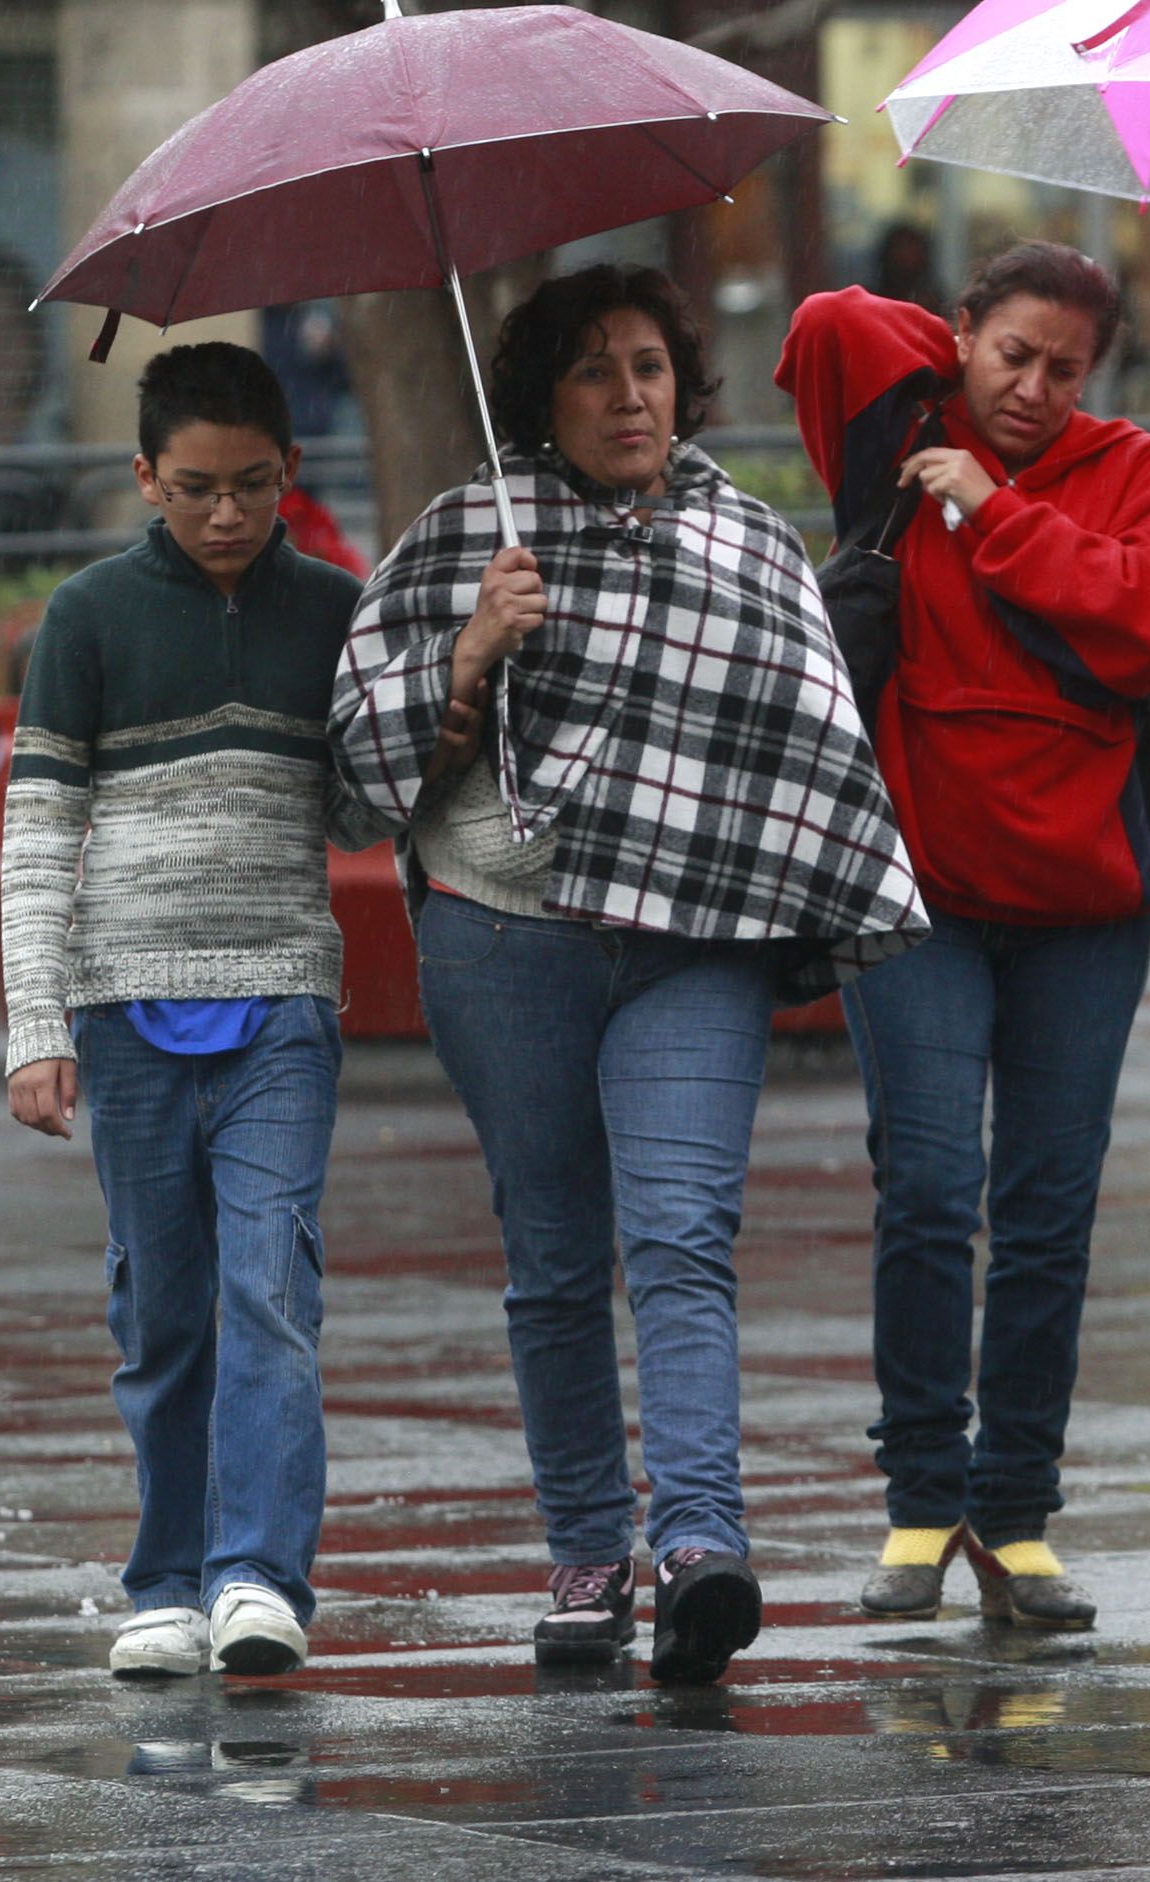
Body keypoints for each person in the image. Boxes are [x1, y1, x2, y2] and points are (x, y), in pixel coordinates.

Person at [331, 264, 923, 1686]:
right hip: (500, 932)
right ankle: (588, 1551)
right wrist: (471, 648)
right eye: (594, 369)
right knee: (549, 1255)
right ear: (543, 393)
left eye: (648, 365)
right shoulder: (471, 527)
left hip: (691, 947)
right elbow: (356, 748)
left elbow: (806, 751)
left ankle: (699, 1548)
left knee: (679, 1235)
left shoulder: (745, 540)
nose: (628, 394)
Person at [776, 243, 1150, 1635]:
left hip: (1081, 916)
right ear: (961, 334)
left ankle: (1013, 1514)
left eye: (1061, 368)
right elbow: (827, 315)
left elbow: (1149, 617)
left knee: (1044, 1213)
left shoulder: (1132, 467)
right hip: (918, 900)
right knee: (922, 1189)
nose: (1029, 387)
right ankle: (918, 1501)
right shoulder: (899, 439)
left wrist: (996, 510)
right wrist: (945, 404)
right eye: (1008, 352)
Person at [0, 340, 371, 1683]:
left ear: (291, 474)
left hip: (280, 995)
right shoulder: (88, 617)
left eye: (254, 485)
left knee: (267, 1286)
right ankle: (162, 1573)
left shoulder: (333, 608)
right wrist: (33, 1026)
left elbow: (362, 809)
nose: (225, 513)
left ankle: (257, 1573)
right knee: (162, 1304)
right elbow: (39, 834)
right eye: (197, 486)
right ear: (144, 474)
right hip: (120, 1006)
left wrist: (454, 681)